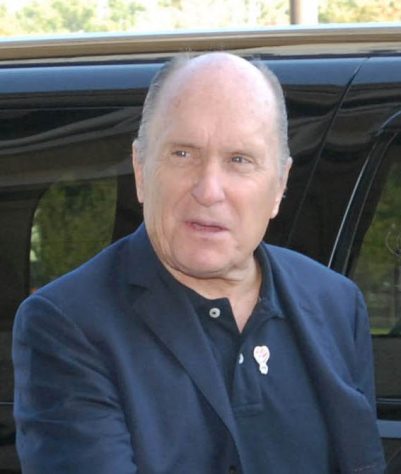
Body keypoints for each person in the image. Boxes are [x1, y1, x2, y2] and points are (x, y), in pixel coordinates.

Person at [12, 52, 385, 474]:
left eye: (239, 159)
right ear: (140, 169)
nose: (209, 190)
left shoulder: (336, 305)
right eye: (183, 154)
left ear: (280, 184)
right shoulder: (69, 324)